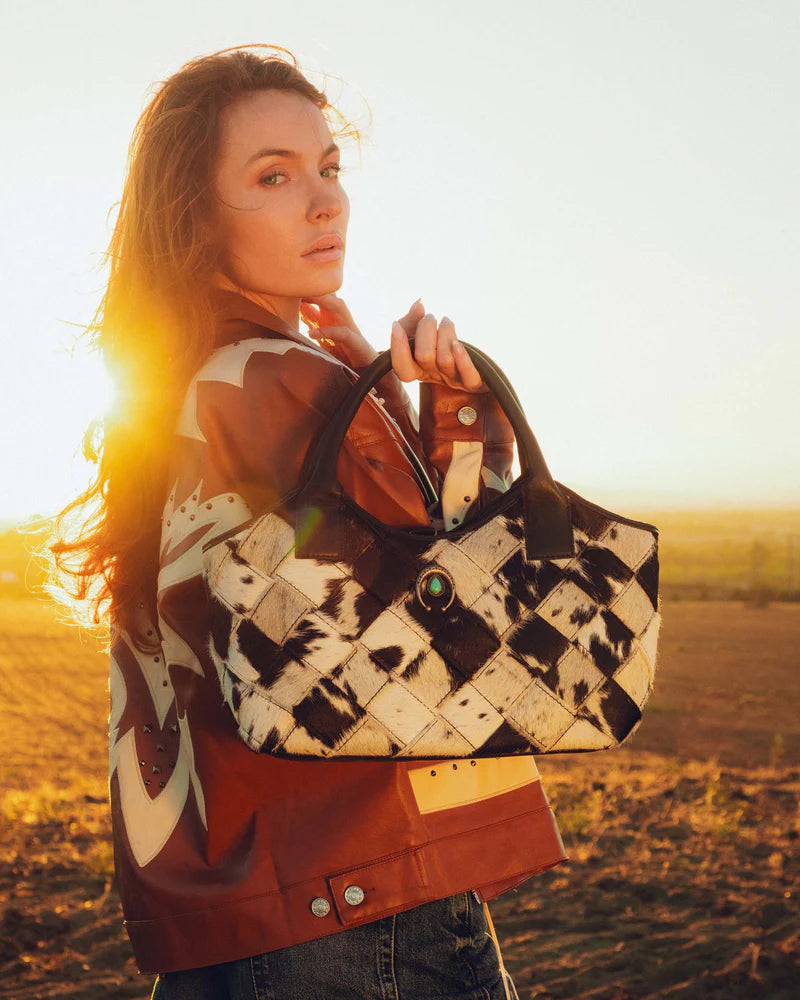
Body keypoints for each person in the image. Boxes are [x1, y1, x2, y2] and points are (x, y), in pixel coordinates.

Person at [49, 44, 567, 999]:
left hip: (233, 901)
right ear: (194, 214)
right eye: (274, 176)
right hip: (366, 896)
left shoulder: (179, 385)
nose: (325, 201)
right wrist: (459, 419)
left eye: (328, 168)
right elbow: (458, 623)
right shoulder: (294, 382)